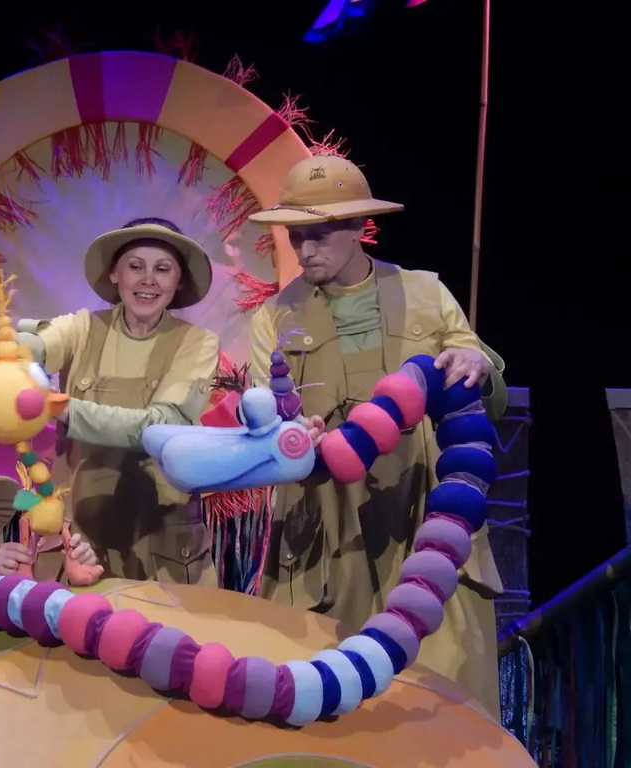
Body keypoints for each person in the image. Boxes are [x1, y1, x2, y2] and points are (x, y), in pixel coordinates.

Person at [247, 155, 507, 720]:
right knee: (335, 707)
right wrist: (290, 435)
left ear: (356, 228)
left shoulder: (425, 293)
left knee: (445, 706)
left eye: (318, 235)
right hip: (329, 529)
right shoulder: (275, 318)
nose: (305, 250)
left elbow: (484, 382)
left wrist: (477, 365)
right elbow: (263, 417)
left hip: (425, 513)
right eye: (296, 236)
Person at [0, 217, 221, 585]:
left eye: (162, 269)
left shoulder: (198, 343)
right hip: (80, 534)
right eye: (135, 266)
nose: (148, 280)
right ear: (115, 274)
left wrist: (61, 407)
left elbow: (161, 425)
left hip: (160, 532)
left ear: (179, 282)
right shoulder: (81, 327)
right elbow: (34, 346)